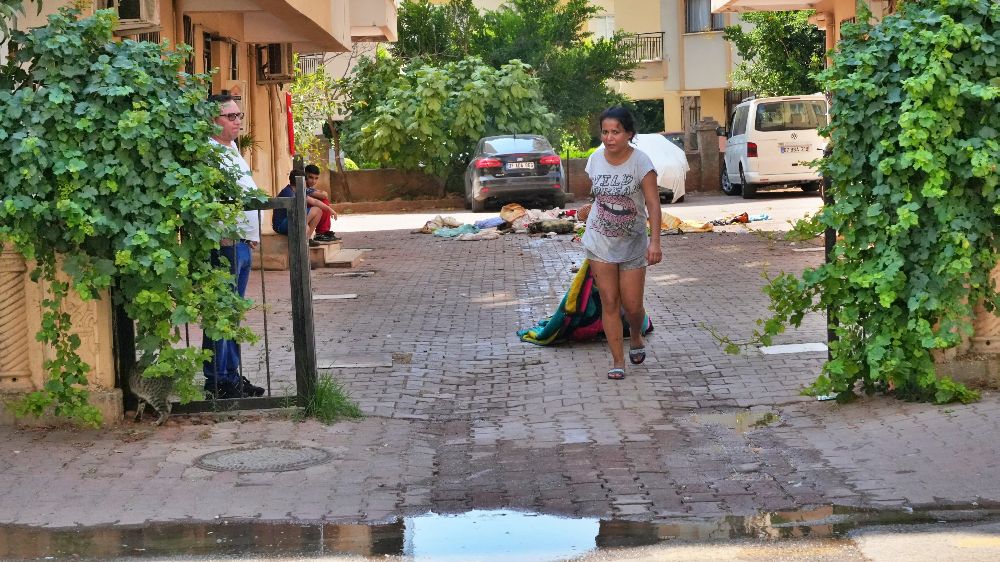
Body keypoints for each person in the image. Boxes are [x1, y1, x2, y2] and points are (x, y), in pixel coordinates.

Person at [581, 106, 662, 380]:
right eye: (605, 132)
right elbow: (600, 197)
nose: (609, 137)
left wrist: (655, 242)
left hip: (632, 244)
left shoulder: (641, 162)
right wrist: (587, 208)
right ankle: (618, 360)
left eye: (615, 132)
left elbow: (653, 203)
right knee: (610, 302)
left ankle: (636, 335)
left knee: (632, 306)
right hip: (599, 242)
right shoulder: (594, 160)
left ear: (628, 133)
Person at [202, 94, 265, 399]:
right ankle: (217, 380)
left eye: (239, 115)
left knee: (233, 314)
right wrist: (222, 235)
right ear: (214, 119)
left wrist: (251, 234)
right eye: (231, 116)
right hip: (224, 243)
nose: (238, 120)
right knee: (221, 313)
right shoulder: (208, 152)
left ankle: (231, 375)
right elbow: (208, 200)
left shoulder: (232, 148)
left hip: (241, 244)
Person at [272, 168, 338, 247]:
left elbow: (314, 201)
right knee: (312, 215)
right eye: (305, 181)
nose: (306, 183)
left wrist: (329, 209)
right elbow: (295, 212)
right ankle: (302, 242)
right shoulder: (288, 192)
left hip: (290, 220)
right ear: (300, 181)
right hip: (281, 225)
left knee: (318, 210)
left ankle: (308, 239)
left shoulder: (298, 191)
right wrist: (305, 224)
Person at [305, 164, 339, 242]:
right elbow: (324, 195)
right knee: (323, 202)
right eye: (310, 177)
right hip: (295, 214)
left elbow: (324, 194)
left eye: (316, 178)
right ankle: (321, 232)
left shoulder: (308, 188)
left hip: (305, 211)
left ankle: (322, 232)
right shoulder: (303, 187)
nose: (314, 181)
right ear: (305, 176)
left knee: (323, 202)